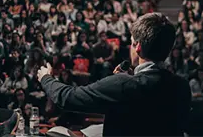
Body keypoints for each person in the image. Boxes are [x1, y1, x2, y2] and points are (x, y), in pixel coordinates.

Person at [38, 13, 191, 137]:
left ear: (137, 46)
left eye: (131, 42)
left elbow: (67, 98)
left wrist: (46, 78)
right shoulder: (182, 85)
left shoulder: (124, 85)